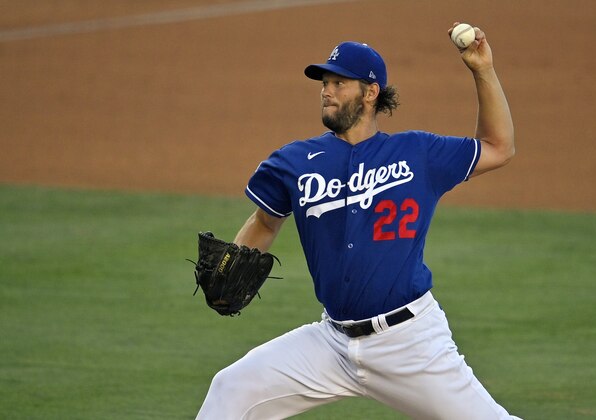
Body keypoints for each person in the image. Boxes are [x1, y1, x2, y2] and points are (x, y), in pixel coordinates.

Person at [196, 23, 520, 419]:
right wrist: (232, 265)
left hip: (409, 344)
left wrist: (482, 70)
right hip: (332, 343)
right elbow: (265, 222)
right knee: (232, 389)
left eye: (338, 82)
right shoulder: (295, 161)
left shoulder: (418, 153)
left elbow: (498, 147)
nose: (326, 91)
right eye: (324, 82)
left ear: (371, 93)